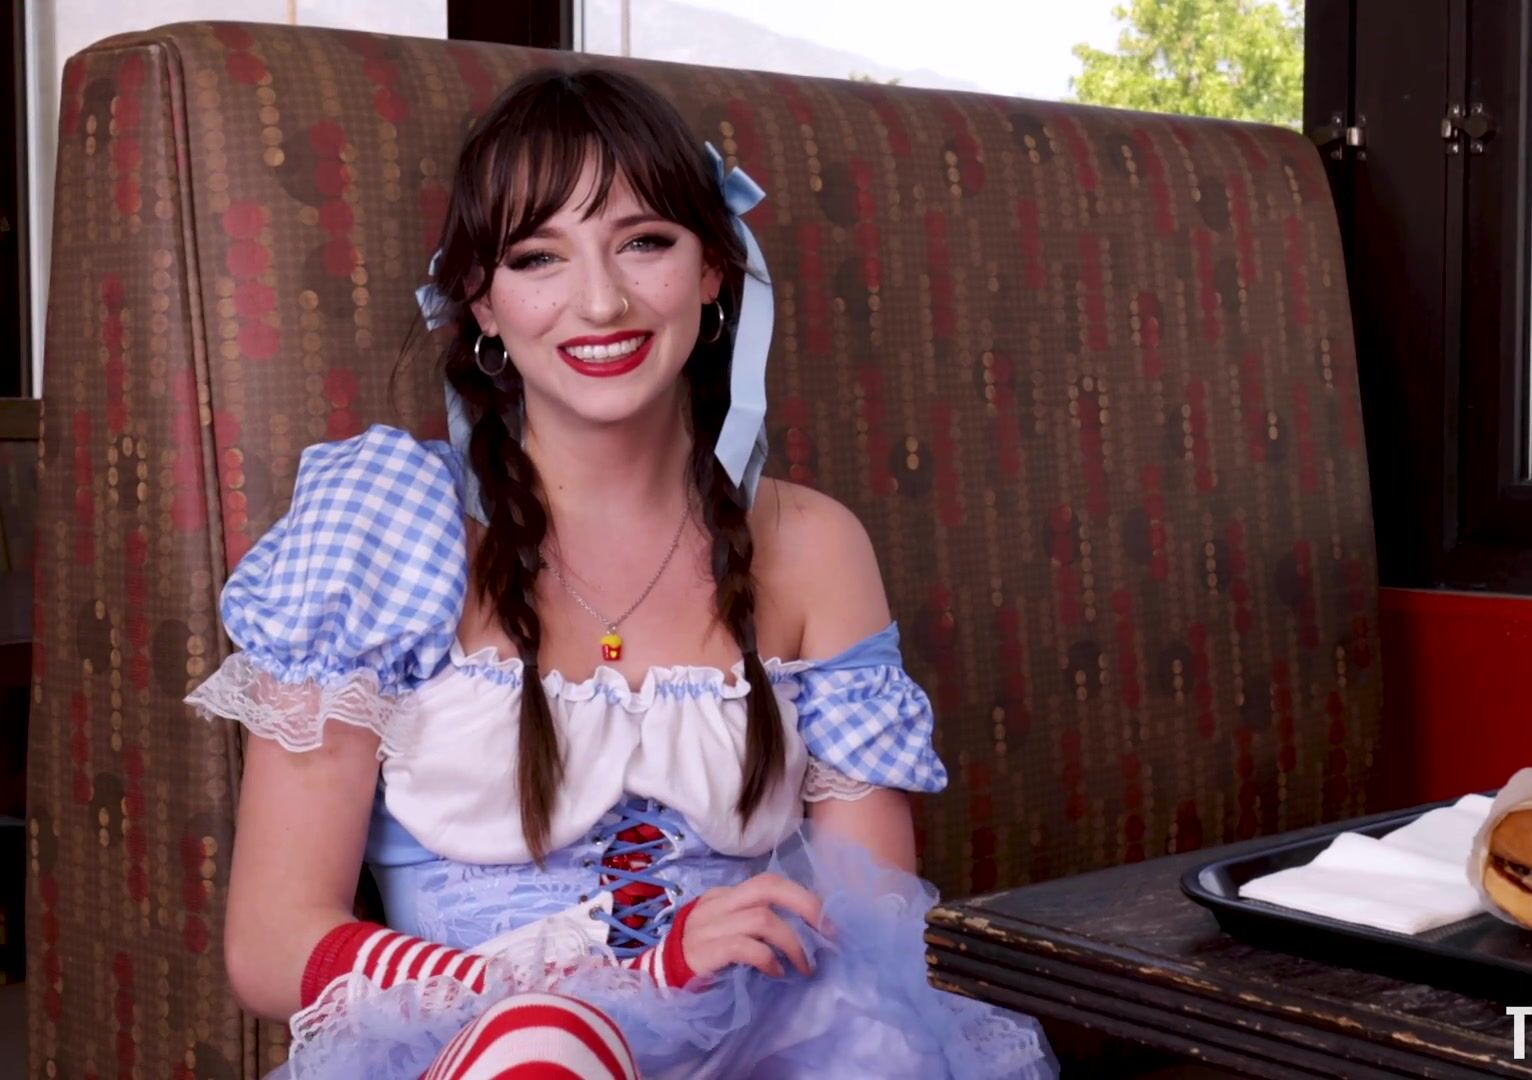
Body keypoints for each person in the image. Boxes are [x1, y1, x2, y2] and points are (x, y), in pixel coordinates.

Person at [186, 65, 1057, 1080]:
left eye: (644, 241)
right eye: (538, 257)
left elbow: (876, 930)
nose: (600, 301)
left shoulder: (813, 545)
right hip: (475, 1045)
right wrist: (616, 984)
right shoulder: (381, 523)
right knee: (542, 1050)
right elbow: (270, 945)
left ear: (713, 268)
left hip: (774, 1045)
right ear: (482, 301)